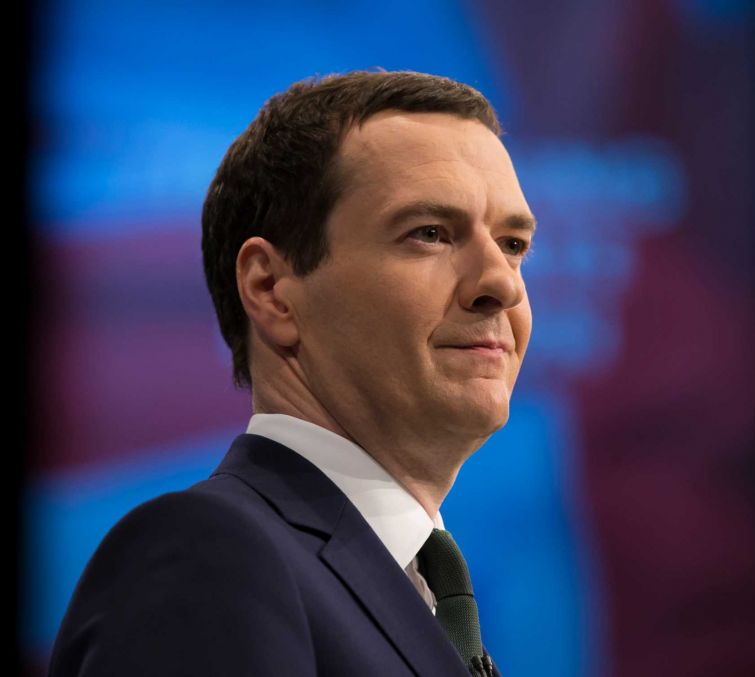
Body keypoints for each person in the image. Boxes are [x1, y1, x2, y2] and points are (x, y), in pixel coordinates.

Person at [48, 70, 535, 677]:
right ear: (271, 290)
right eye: (430, 234)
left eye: (513, 244)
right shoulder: (209, 556)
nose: (502, 284)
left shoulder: (419, 592)